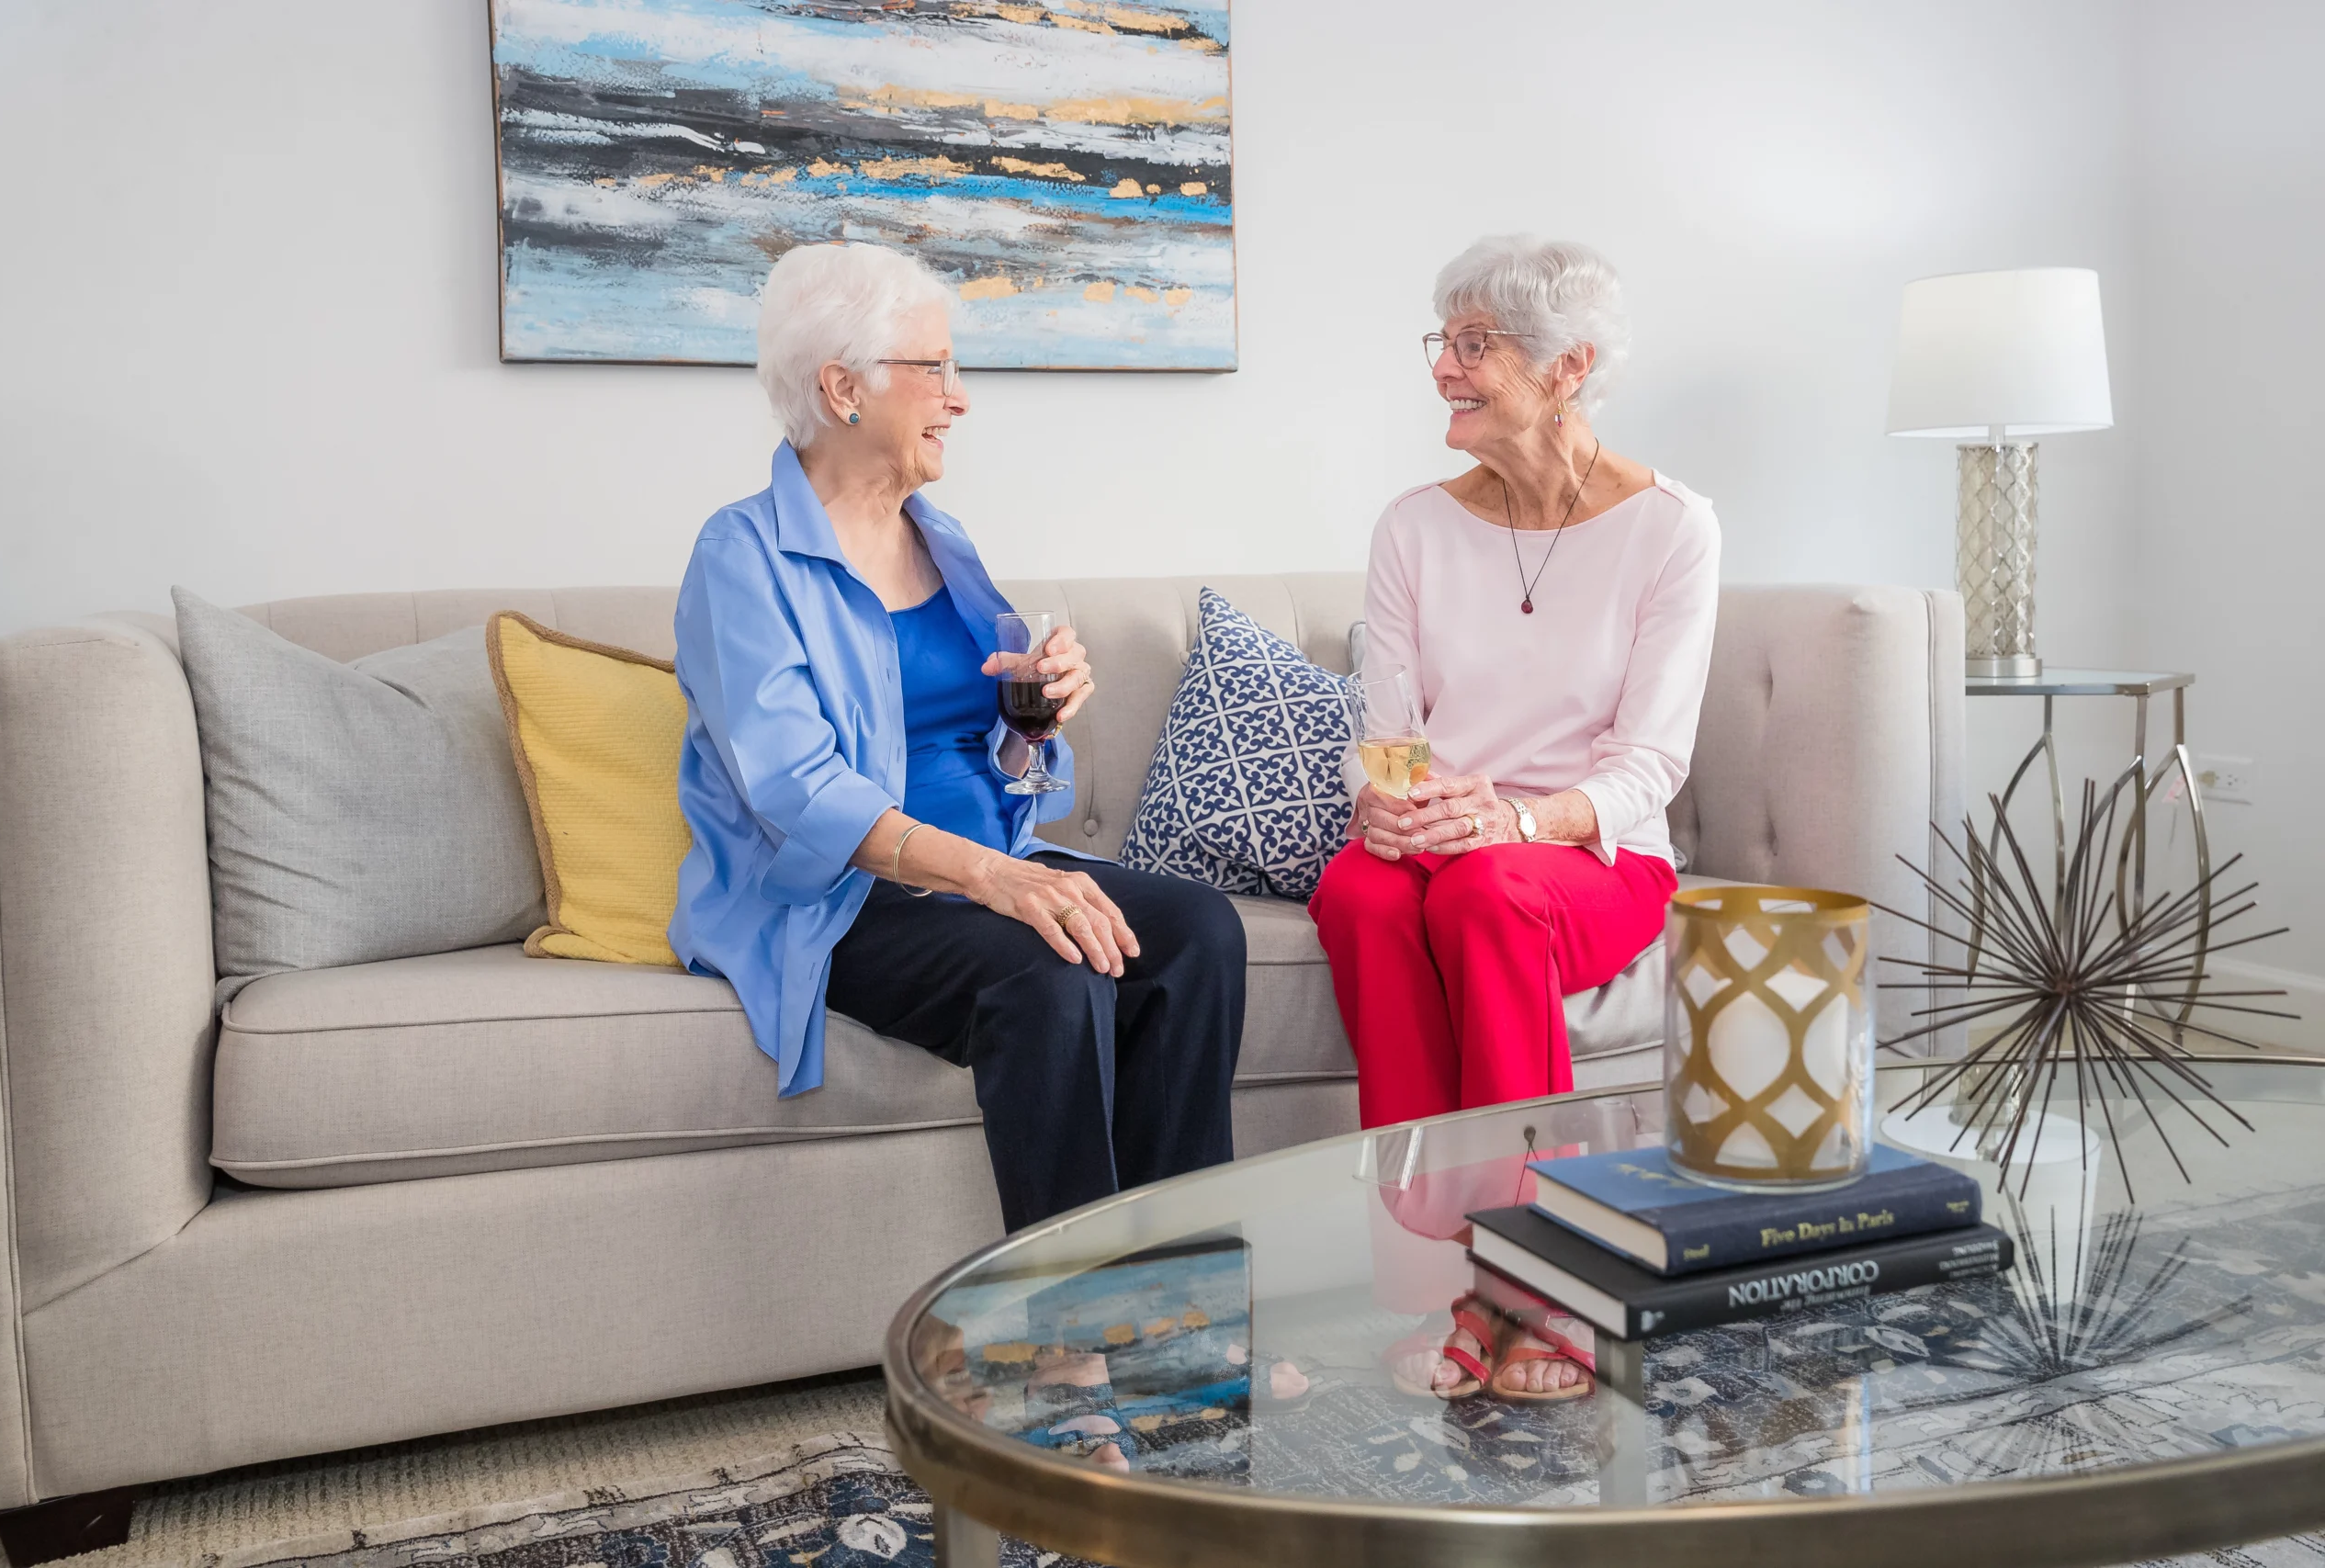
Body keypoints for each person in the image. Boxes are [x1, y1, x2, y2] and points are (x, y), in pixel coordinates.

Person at [670, 242, 1247, 1235]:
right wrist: (988, 879)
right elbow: (797, 791)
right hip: (850, 901)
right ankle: (1069, 1343)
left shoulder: (942, 539)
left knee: (1200, 934)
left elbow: (1012, 766)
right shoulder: (742, 555)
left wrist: (1034, 711)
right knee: (1049, 966)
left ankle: (1180, 1297)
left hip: (992, 864)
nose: (960, 396)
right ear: (842, 387)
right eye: (932, 368)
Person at [1310, 236, 1720, 1399]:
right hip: (1441, 840)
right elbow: (1388, 728)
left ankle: (1537, 1283)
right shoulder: (1413, 527)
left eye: (1474, 343)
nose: (1445, 364)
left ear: (1567, 367)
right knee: (1353, 889)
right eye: (1442, 339)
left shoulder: (1671, 527)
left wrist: (1522, 825)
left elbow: (1652, 764)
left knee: (1490, 892)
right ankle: (1447, 1265)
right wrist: (1382, 805)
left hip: (1587, 855)